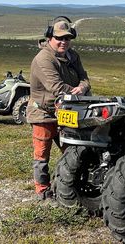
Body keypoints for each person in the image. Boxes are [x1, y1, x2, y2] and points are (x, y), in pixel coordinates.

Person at [27, 17, 90, 201]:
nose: (63, 42)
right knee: (42, 155)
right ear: (49, 38)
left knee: (72, 152)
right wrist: (78, 92)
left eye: (67, 38)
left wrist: (83, 87)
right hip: (43, 114)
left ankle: (72, 185)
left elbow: (84, 78)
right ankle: (43, 190)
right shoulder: (43, 59)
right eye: (59, 38)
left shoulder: (73, 56)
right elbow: (56, 87)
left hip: (66, 113)